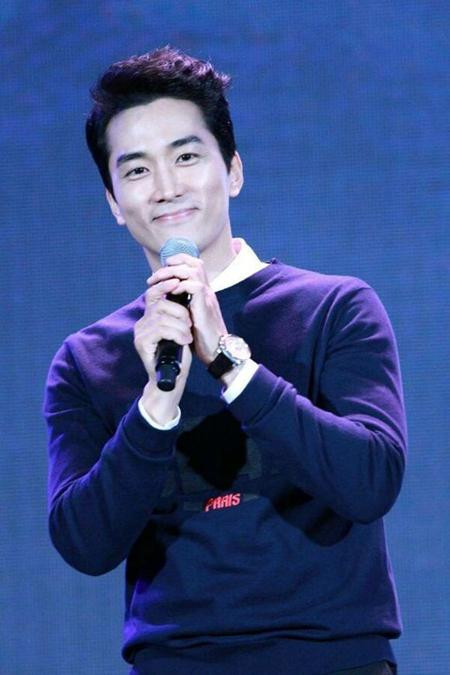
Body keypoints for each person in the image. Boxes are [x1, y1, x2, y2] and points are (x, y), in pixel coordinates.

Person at [44, 47, 407, 675]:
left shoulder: (334, 308)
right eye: (137, 170)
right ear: (113, 202)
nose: (166, 188)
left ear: (233, 170)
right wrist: (155, 407)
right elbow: (84, 542)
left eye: (186, 157)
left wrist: (232, 366)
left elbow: (370, 480)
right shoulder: (88, 361)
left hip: (332, 659)